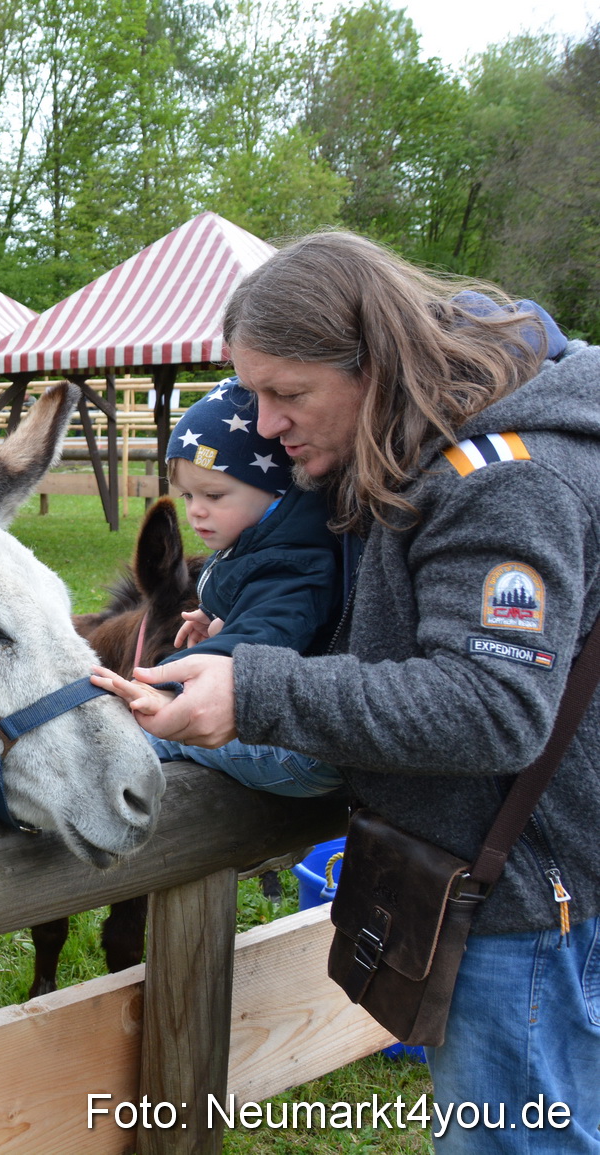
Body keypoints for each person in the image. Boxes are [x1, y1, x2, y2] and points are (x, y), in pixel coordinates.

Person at [95, 231, 596, 1153]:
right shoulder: (432, 444)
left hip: (535, 910)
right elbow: (424, 631)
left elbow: (494, 703)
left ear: (379, 363)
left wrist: (258, 689)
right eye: (253, 393)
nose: (268, 424)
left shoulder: (505, 482)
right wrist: (264, 642)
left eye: (289, 393)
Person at [102, 382, 345, 797]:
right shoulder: (262, 547)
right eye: (188, 495)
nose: (196, 509)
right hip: (300, 735)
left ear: (277, 495)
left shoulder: (290, 565)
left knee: (130, 738)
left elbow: (256, 644)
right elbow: (255, 603)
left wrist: (172, 686)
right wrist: (217, 612)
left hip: (296, 752)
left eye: (214, 494)